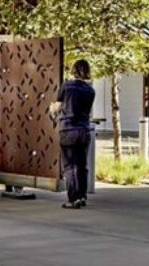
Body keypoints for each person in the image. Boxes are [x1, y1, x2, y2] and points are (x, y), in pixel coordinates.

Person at [53, 60, 98, 209]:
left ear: (74, 70)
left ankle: (73, 199)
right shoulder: (90, 90)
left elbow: (57, 108)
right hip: (84, 130)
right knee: (82, 165)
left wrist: (51, 110)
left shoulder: (67, 86)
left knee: (70, 166)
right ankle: (82, 196)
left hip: (68, 130)